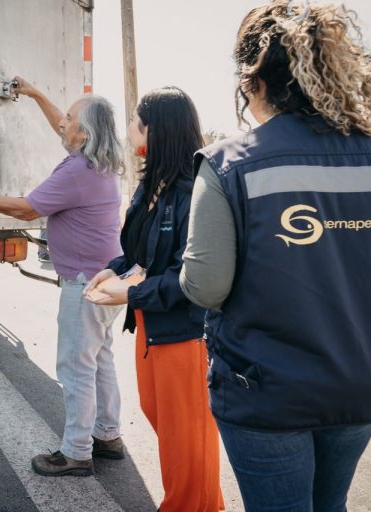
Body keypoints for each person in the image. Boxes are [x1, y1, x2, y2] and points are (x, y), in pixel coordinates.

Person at [178, 2, 371, 511]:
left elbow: (206, 286)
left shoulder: (228, 163)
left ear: (254, 80)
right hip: (355, 386)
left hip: (265, 391)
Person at [0, 77, 125, 476]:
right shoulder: (99, 160)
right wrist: (37, 95)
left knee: (76, 368)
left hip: (84, 283)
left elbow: (27, 210)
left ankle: (77, 453)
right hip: (104, 278)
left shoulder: (78, 170)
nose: (62, 122)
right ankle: (108, 436)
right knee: (100, 361)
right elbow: (61, 127)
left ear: (86, 131)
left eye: (70, 119)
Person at [84, 87, 224, 511]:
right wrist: (116, 267)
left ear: (154, 130)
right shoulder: (152, 186)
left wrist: (130, 291)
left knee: (188, 438)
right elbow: (141, 252)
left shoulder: (195, 191)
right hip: (152, 324)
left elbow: (190, 276)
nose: (128, 130)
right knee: (163, 420)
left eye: (134, 120)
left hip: (187, 332)